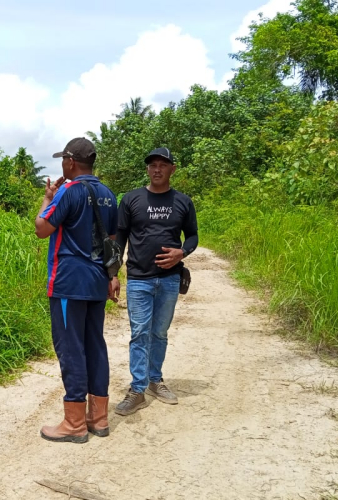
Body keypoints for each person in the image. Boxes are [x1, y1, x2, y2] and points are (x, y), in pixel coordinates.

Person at [34, 137, 119, 443]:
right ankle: (98, 418)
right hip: (97, 283)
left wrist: (47, 199)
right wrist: (113, 275)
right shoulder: (108, 194)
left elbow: (42, 228)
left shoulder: (69, 191)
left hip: (69, 282)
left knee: (71, 349)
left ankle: (73, 424)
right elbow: (112, 239)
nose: (62, 165)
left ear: (70, 162)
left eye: (63, 160)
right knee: (94, 345)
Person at [112, 147, 198, 416]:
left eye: (163, 164)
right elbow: (119, 238)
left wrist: (182, 252)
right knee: (139, 333)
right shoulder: (131, 199)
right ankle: (137, 389)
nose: (157, 169)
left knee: (159, 333)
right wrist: (112, 274)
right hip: (138, 279)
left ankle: (155, 381)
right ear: (147, 169)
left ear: (172, 169)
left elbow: (193, 236)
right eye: (153, 165)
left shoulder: (183, 202)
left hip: (170, 280)